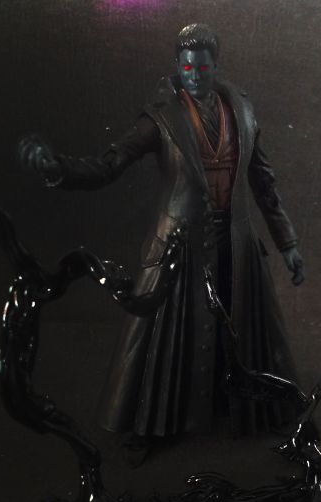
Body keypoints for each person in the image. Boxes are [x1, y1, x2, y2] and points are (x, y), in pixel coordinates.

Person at [18, 23, 305, 467]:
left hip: (236, 241)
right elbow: (110, 164)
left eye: (202, 67)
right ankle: (148, 423)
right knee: (159, 339)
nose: (195, 75)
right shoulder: (161, 119)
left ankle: (261, 409)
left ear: (215, 66)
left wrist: (287, 242)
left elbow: (263, 181)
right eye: (187, 67)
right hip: (179, 244)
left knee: (244, 326)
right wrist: (58, 169)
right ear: (177, 66)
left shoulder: (241, 110)